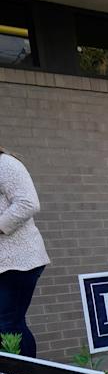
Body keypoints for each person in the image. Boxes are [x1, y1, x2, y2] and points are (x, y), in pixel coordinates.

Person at [0, 147, 49, 357]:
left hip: (20, 261)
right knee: (10, 322)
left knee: (6, 323)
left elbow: (28, 203)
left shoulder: (6, 164)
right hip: (4, 263)